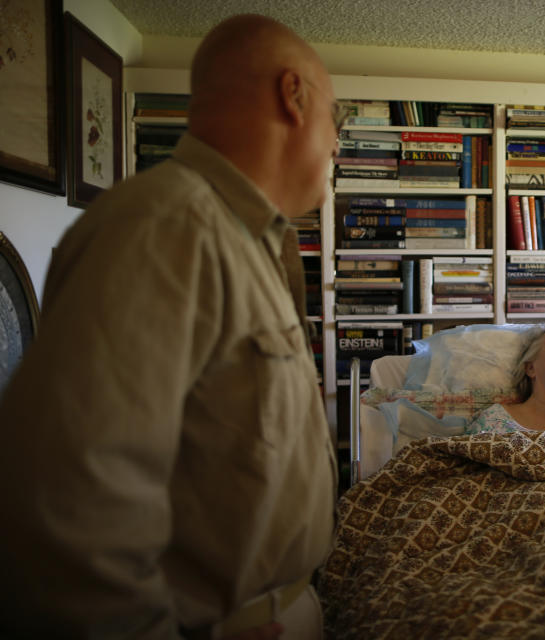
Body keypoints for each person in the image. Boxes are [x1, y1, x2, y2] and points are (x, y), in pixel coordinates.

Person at [0, 14, 341, 640]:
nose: (337, 146)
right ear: (294, 97)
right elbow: (71, 514)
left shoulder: (248, 239)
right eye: (336, 121)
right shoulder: (166, 228)